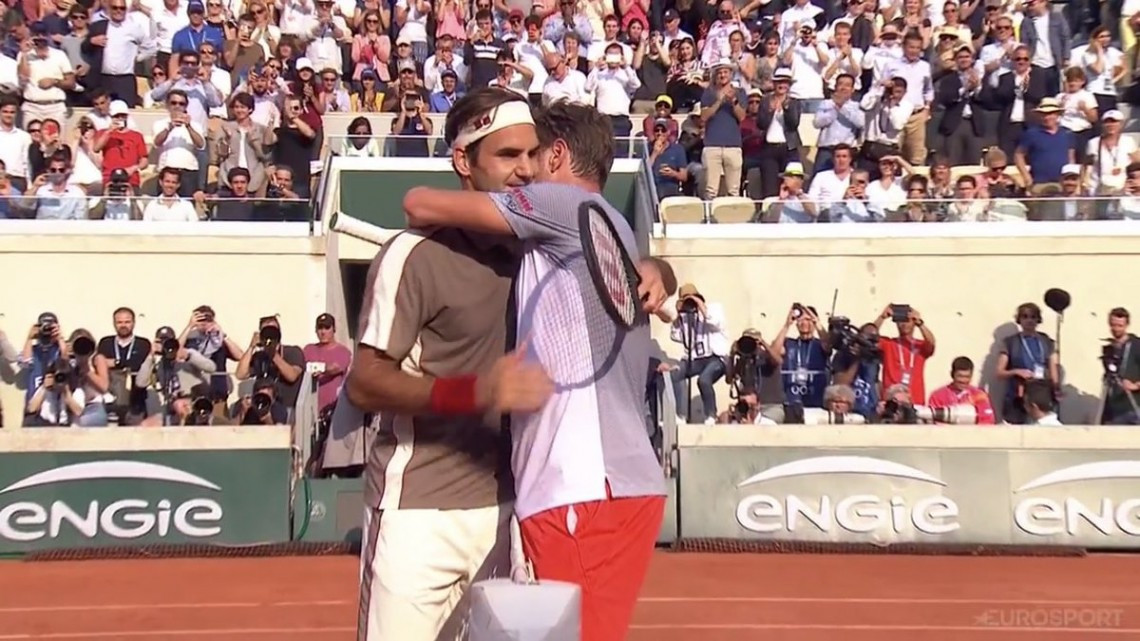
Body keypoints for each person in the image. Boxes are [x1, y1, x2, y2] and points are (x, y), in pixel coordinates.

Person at [403, 100, 671, 641]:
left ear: (559, 154)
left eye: (533, 154)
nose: (525, 168)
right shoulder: (611, 223)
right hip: (601, 488)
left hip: (583, 489)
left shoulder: (559, 203)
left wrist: (463, 168)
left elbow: (419, 204)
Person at [345, 87, 549, 641]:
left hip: (512, 511)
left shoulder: (541, 249)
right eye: (508, 156)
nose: (526, 170)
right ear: (464, 161)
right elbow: (365, 383)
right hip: (417, 513)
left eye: (533, 154)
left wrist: (661, 272)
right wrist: (474, 392)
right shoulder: (412, 255)